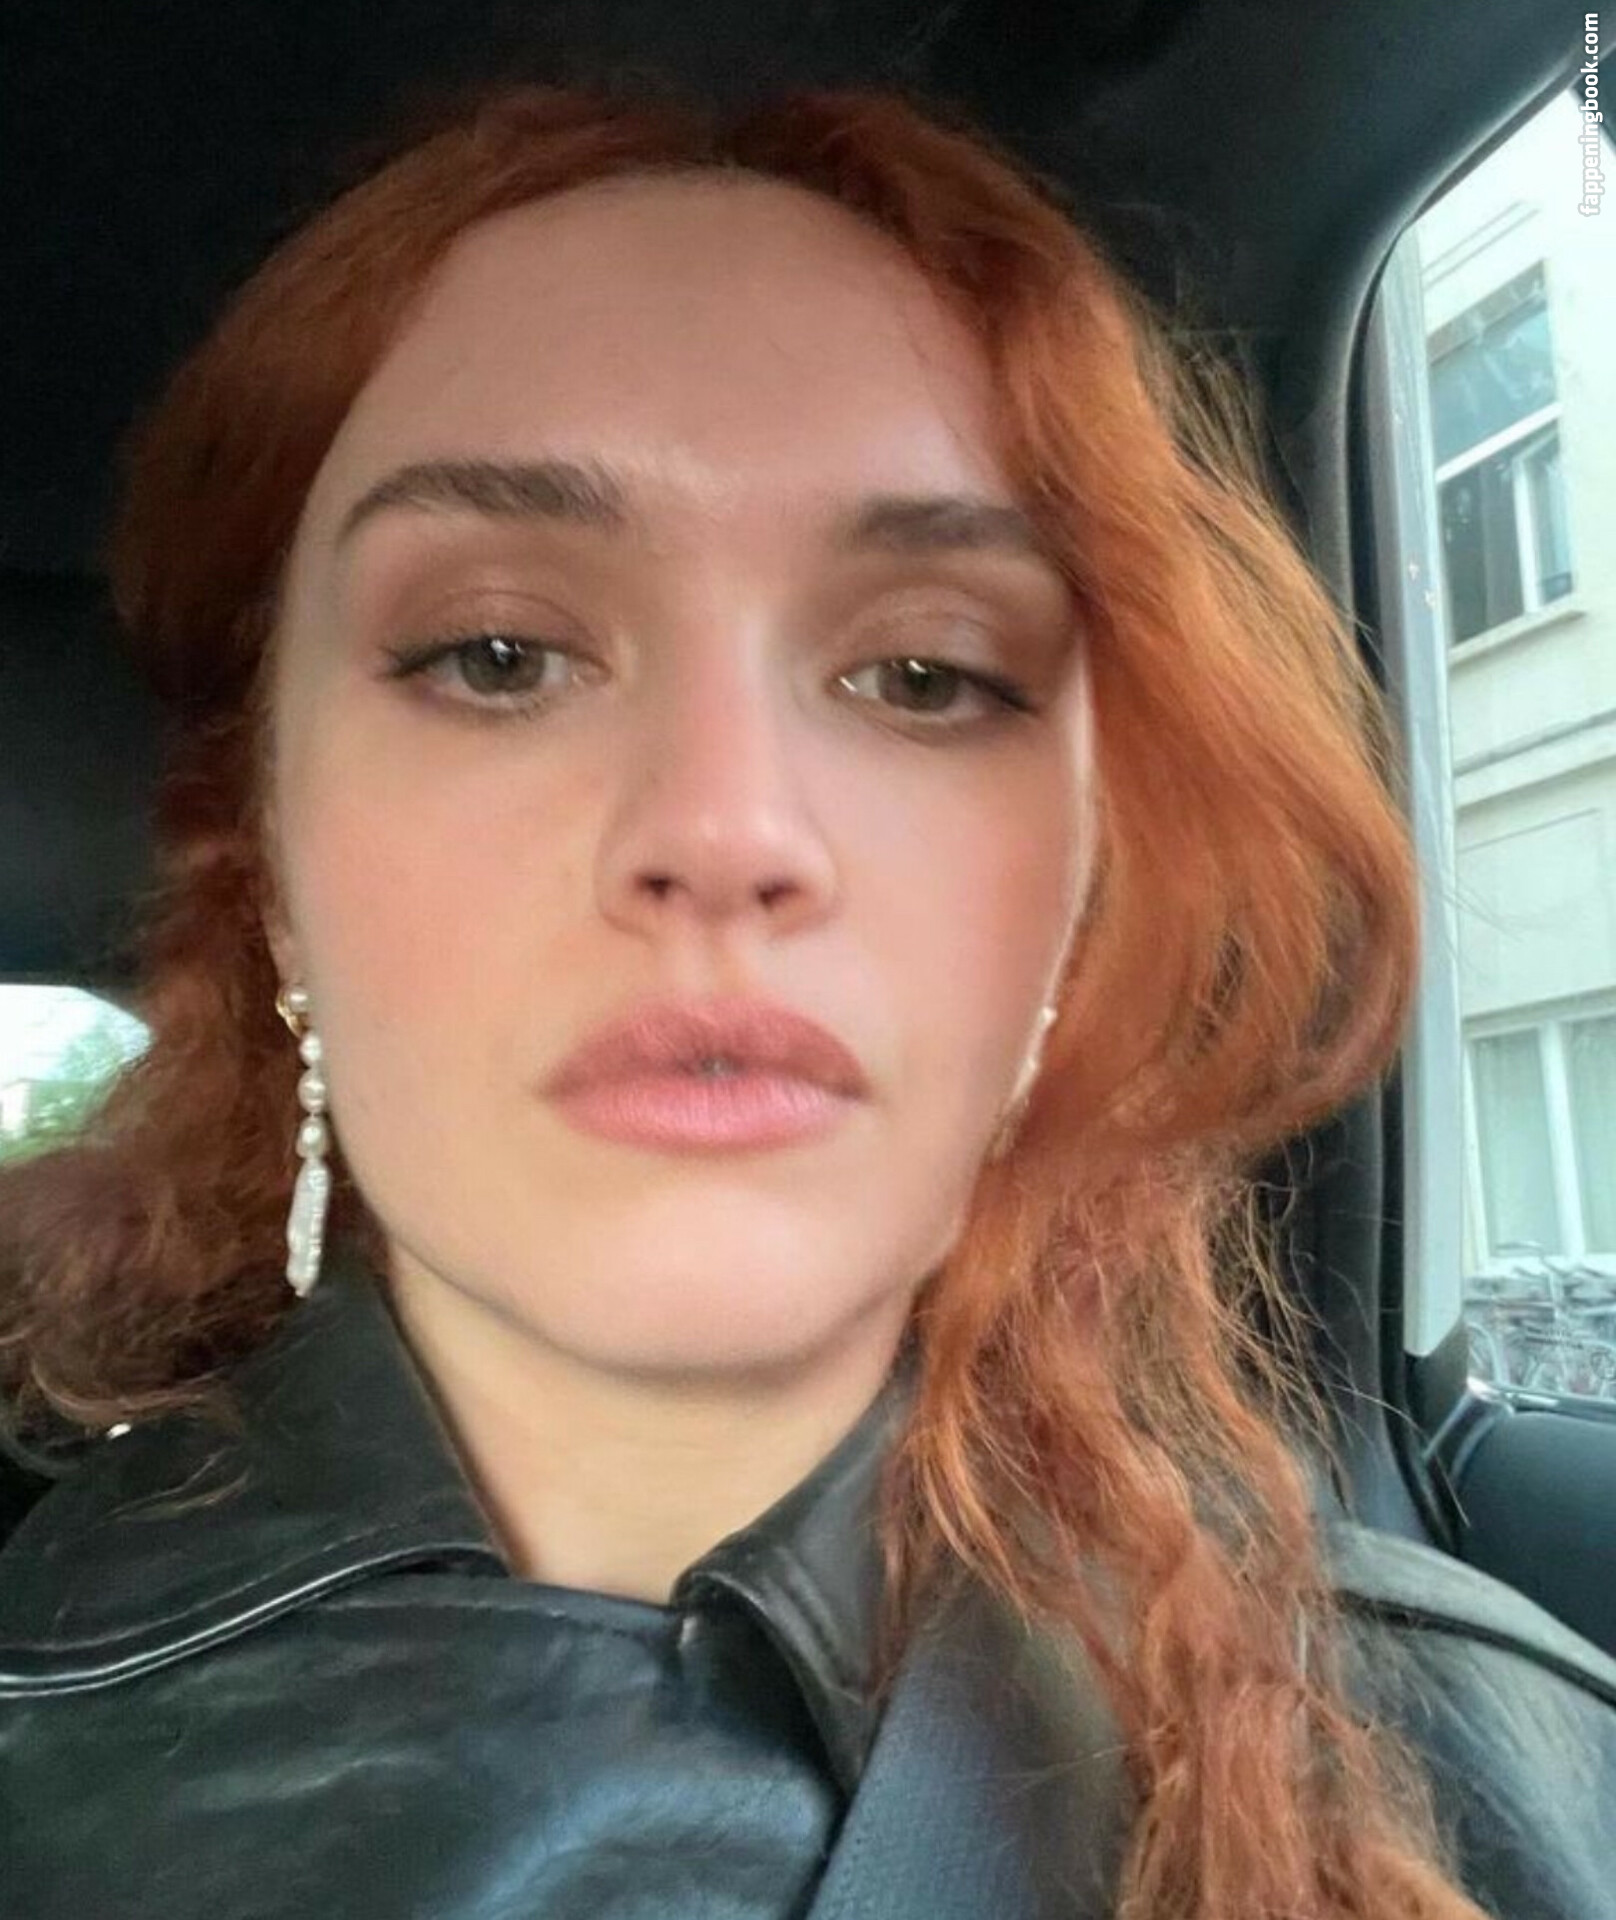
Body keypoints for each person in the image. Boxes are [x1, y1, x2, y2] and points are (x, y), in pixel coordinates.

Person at [0, 78, 1610, 1920]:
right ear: (272, 867)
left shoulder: (1498, 1787)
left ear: (1079, 893)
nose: (724, 828)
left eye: (925, 676)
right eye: (498, 655)